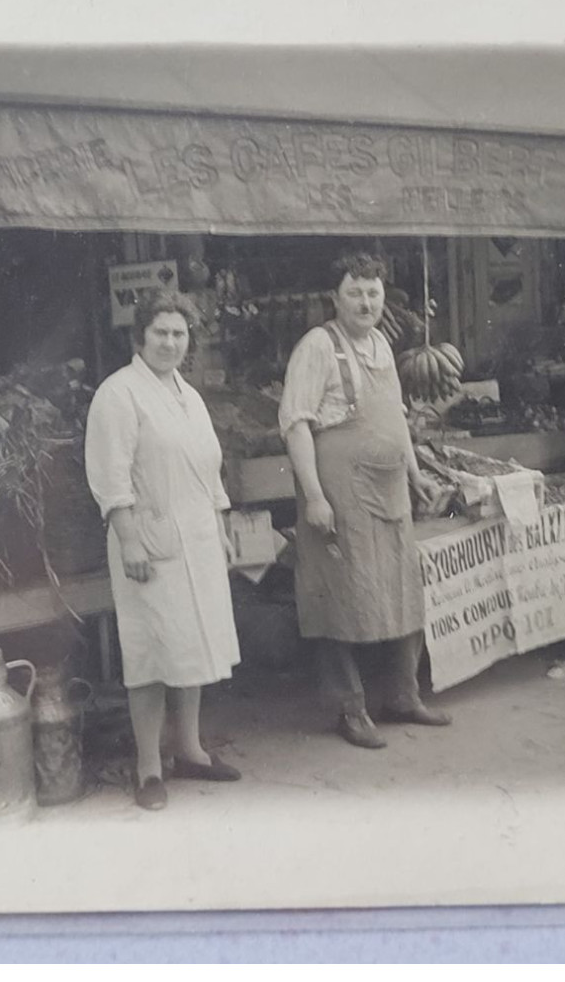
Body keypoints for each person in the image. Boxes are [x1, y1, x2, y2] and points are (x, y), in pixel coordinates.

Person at [278, 252, 450, 749]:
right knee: (342, 594)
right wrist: (314, 495)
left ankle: (403, 695)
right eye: (355, 292)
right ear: (335, 298)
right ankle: (349, 709)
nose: (366, 302)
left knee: (402, 589)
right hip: (338, 491)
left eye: (373, 293)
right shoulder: (316, 346)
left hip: (390, 489)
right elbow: (296, 424)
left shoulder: (380, 344)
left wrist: (416, 473)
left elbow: (395, 420)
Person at [85, 287, 242, 811]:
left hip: (196, 537)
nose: (171, 342)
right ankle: (149, 768)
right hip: (147, 542)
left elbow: (208, 466)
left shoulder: (187, 394)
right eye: (161, 333)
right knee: (151, 652)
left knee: (189, 646)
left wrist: (220, 527)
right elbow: (110, 476)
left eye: (179, 334)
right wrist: (128, 539)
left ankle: (192, 749)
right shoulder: (119, 393)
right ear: (140, 336)